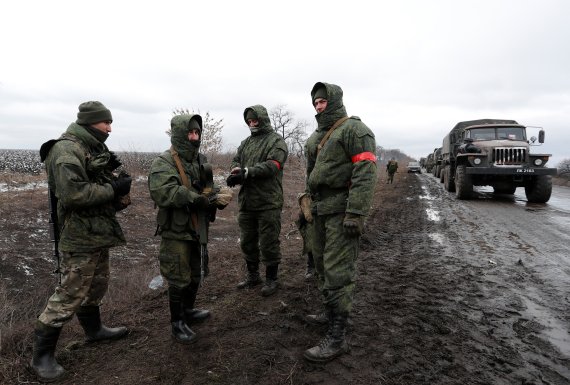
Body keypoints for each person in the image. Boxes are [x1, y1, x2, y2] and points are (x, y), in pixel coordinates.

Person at [33, 101, 132, 382]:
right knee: (69, 293)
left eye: (110, 123)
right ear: (90, 122)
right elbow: (73, 195)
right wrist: (112, 188)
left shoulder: (91, 147)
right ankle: (41, 357)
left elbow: (97, 184)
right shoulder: (67, 149)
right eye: (105, 123)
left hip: (98, 230)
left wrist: (117, 185)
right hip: (78, 236)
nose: (110, 129)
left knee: (97, 284)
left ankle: (94, 330)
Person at [302, 82, 377, 363]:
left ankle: (338, 336)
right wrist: (306, 205)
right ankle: (329, 312)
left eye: (322, 101)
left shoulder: (354, 130)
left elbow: (365, 172)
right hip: (319, 211)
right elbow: (311, 175)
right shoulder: (314, 138)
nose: (319, 106)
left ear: (333, 100)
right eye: (315, 103)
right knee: (321, 265)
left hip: (341, 212)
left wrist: (356, 213)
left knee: (338, 271)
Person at [148, 114, 231, 344]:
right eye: (190, 133)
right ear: (179, 134)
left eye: (197, 133)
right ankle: (177, 323)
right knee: (178, 276)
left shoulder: (200, 160)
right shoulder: (163, 163)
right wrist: (195, 199)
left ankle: (188, 311)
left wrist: (216, 195)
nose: (194, 137)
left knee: (196, 273)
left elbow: (207, 186)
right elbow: (164, 192)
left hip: (197, 227)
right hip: (176, 229)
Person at [226, 105, 288, 297]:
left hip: (268, 202)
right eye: (249, 121)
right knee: (247, 241)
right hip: (247, 202)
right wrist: (236, 171)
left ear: (263, 119)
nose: (252, 124)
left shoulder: (276, 141)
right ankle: (253, 276)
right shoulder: (245, 143)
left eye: (255, 120)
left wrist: (247, 172)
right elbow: (236, 160)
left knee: (268, 242)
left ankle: (272, 279)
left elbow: (272, 166)